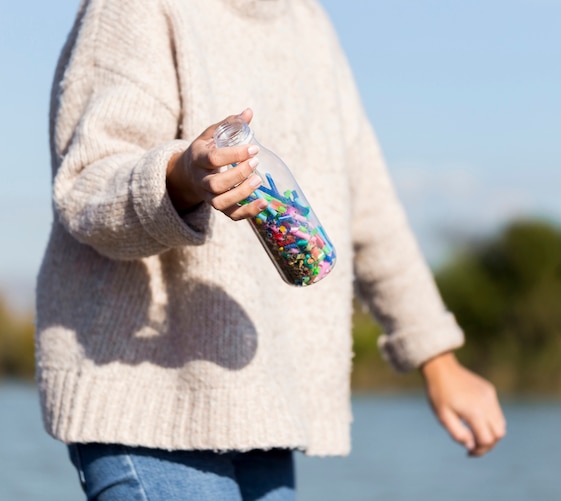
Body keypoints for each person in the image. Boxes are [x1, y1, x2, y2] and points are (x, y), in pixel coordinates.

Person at [36, 0, 506, 499]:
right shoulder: (136, 7)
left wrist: (437, 356)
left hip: (263, 402)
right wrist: (182, 178)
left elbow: (370, 207)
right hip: (143, 400)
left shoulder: (309, 22)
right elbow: (86, 187)